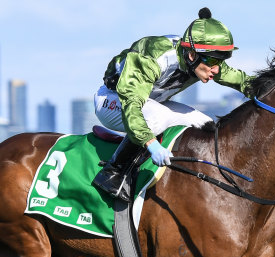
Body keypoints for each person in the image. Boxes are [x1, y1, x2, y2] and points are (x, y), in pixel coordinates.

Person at [93, 7, 252, 202]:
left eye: (221, 60)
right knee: (156, 117)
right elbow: (132, 106)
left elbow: (243, 81)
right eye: (212, 61)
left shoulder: (202, 59)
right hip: (113, 100)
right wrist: (151, 145)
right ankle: (113, 171)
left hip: (152, 103)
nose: (216, 69)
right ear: (192, 55)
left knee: (206, 125)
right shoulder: (152, 56)